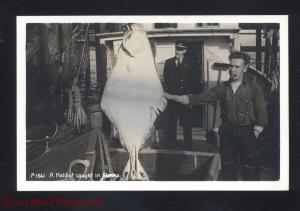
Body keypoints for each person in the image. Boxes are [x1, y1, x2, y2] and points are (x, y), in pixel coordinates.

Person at [164, 51, 268, 181]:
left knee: (250, 172)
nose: (232, 70)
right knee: (228, 172)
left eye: (237, 67)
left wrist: (253, 135)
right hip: (227, 134)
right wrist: (171, 96)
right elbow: (196, 99)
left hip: (248, 134)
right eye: (231, 66)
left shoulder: (254, 88)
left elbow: (262, 117)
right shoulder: (222, 88)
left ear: (245, 68)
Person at [163, 40, 199, 149]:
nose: (178, 51)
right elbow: (166, 79)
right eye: (177, 49)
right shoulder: (168, 62)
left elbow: (194, 80)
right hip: (172, 97)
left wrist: (191, 98)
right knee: (172, 121)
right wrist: (167, 94)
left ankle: (188, 143)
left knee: (186, 121)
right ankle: (171, 141)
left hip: (185, 97)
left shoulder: (191, 62)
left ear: (185, 51)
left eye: (181, 49)